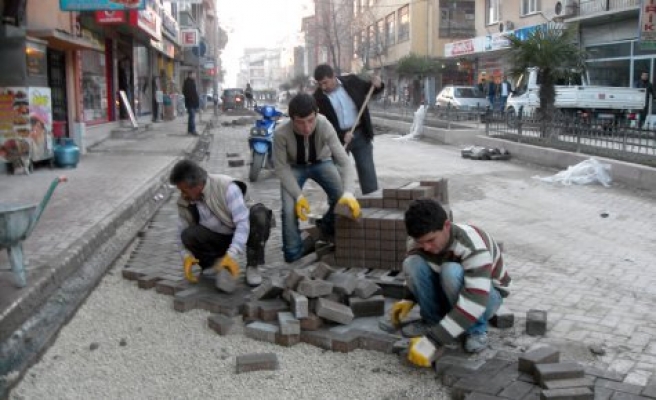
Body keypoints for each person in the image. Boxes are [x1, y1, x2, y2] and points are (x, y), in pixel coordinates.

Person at [389, 198, 511, 367]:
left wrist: (433, 341)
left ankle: (476, 330)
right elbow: (418, 273)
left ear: (446, 225)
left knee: (450, 270)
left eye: (431, 240)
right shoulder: (417, 242)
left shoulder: (472, 245)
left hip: (486, 298)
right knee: (412, 263)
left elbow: (475, 302)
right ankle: (433, 321)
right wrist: (408, 299)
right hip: (453, 291)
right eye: (420, 241)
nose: (426, 247)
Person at [273, 93, 361, 263]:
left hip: (322, 162)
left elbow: (344, 162)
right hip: (294, 167)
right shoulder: (280, 133)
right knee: (289, 209)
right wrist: (298, 196)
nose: (306, 128)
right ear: (291, 119)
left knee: (340, 197)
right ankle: (293, 254)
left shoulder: (324, 124)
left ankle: (326, 228)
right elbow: (281, 168)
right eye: (300, 122)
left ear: (317, 113)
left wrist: (349, 193)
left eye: (310, 120)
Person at [170, 159, 267, 288]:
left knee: (259, 215)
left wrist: (232, 255)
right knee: (188, 235)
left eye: (184, 190)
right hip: (218, 237)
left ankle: (252, 266)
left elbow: (243, 224)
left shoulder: (227, 187)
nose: (182, 194)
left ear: (197, 185)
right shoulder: (184, 201)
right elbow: (180, 232)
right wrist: (186, 256)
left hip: (244, 233)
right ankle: (213, 264)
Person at [313, 64, 384, 195]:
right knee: (340, 176)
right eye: (320, 84)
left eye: (325, 82)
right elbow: (321, 124)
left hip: (360, 134)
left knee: (367, 170)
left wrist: (378, 84)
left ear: (333, 76)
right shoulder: (317, 99)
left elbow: (370, 89)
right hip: (337, 140)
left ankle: (372, 203)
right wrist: (340, 135)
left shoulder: (352, 81)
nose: (323, 87)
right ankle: (341, 207)